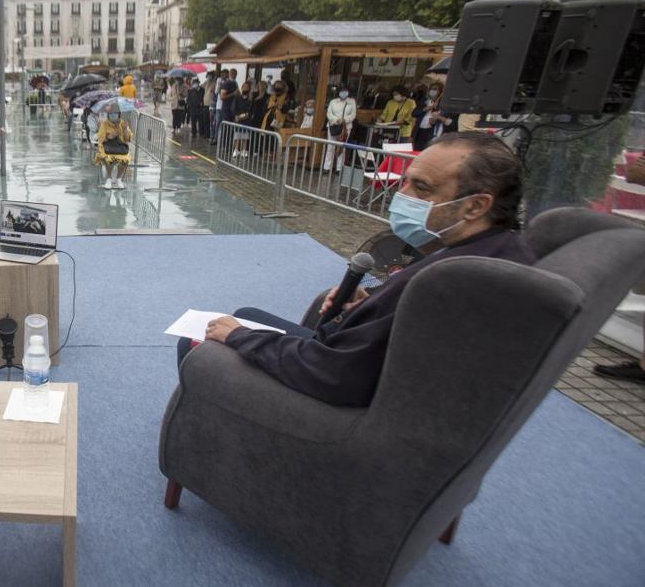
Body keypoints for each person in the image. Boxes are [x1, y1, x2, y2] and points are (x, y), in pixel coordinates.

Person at [177, 132, 535, 407]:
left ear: (475, 206)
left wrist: (241, 337)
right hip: (364, 372)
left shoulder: (450, 279)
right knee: (245, 314)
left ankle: (206, 420)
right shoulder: (497, 252)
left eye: (421, 188)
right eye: (405, 180)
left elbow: (333, 373)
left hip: (341, 396)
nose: (402, 193)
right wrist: (368, 305)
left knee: (201, 338)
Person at [95, 103, 132, 190]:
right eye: (111, 113)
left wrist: (125, 129)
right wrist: (111, 135)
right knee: (108, 158)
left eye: (115, 113)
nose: (113, 115)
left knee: (125, 159)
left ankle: (119, 179)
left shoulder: (123, 124)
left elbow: (127, 139)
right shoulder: (104, 124)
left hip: (120, 147)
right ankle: (109, 178)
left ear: (119, 114)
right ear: (108, 114)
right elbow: (101, 139)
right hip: (107, 147)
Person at [324, 84, 356, 172]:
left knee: (342, 147)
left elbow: (353, 115)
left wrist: (344, 120)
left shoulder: (351, 102)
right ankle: (327, 167)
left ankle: (339, 168)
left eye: (345, 91)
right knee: (330, 147)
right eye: (342, 91)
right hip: (333, 126)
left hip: (346, 128)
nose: (344, 93)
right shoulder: (333, 102)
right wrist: (336, 120)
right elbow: (329, 113)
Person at [411, 83, 451, 151]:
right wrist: (427, 108)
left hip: (430, 132)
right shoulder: (424, 101)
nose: (432, 91)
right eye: (431, 89)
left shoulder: (442, 104)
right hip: (419, 131)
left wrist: (435, 110)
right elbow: (414, 113)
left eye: (435, 89)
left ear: (440, 91)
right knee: (416, 150)